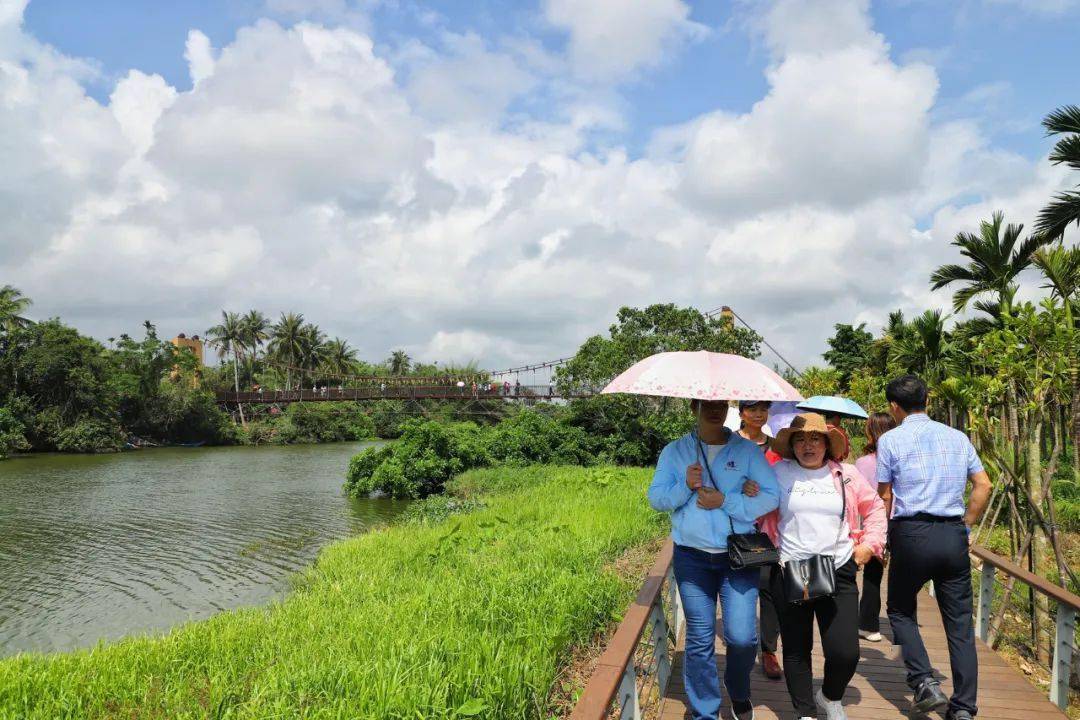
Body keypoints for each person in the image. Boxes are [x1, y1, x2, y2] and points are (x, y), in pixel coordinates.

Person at [648, 398, 781, 720]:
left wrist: (727, 501)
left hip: (736, 558)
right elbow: (657, 498)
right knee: (699, 638)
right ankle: (704, 712)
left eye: (720, 403)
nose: (714, 409)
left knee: (742, 637)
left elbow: (771, 495)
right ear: (694, 407)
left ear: (727, 408)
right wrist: (685, 485)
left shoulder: (747, 452)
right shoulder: (675, 451)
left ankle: (738, 689)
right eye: (706, 403)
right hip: (692, 558)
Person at [749, 413, 886, 720]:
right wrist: (750, 494)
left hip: (838, 568)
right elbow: (754, 509)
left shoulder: (845, 474)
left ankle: (830, 696)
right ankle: (805, 712)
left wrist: (869, 545)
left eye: (814, 439)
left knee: (846, 652)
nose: (807, 445)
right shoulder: (776, 472)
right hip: (789, 569)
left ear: (826, 443)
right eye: (800, 439)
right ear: (791, 444)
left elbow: (875, 507)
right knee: (797, 648)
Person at [876, 375, 992, 720]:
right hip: (952, 534)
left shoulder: (891, 440)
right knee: (959, 625)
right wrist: (966, 525)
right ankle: (964, 708)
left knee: (899, 608)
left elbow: (885, 496)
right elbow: (983, 485)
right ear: (926, 400)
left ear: (894, 407)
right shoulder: (957, 437)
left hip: (911, 533)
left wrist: (884, 538)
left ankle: (924, 680)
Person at [735, 400, 783, 681]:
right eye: (752, 409)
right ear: (741, 413)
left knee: (768, 588)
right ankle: (741, 645)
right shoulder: (731, 444)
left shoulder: (777, 447)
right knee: (738, 588)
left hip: (768, 528)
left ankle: (768, 651)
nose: (758, 414)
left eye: (763, 409)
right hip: (736, 525)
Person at [853, 412, 897, 642]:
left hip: (865, 523)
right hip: (896, 521)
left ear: (870, 431)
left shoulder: (862, 463)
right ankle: (890, 622)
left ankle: (865, 622)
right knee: (881, 574)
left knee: (863, 572)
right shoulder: (899, 458)